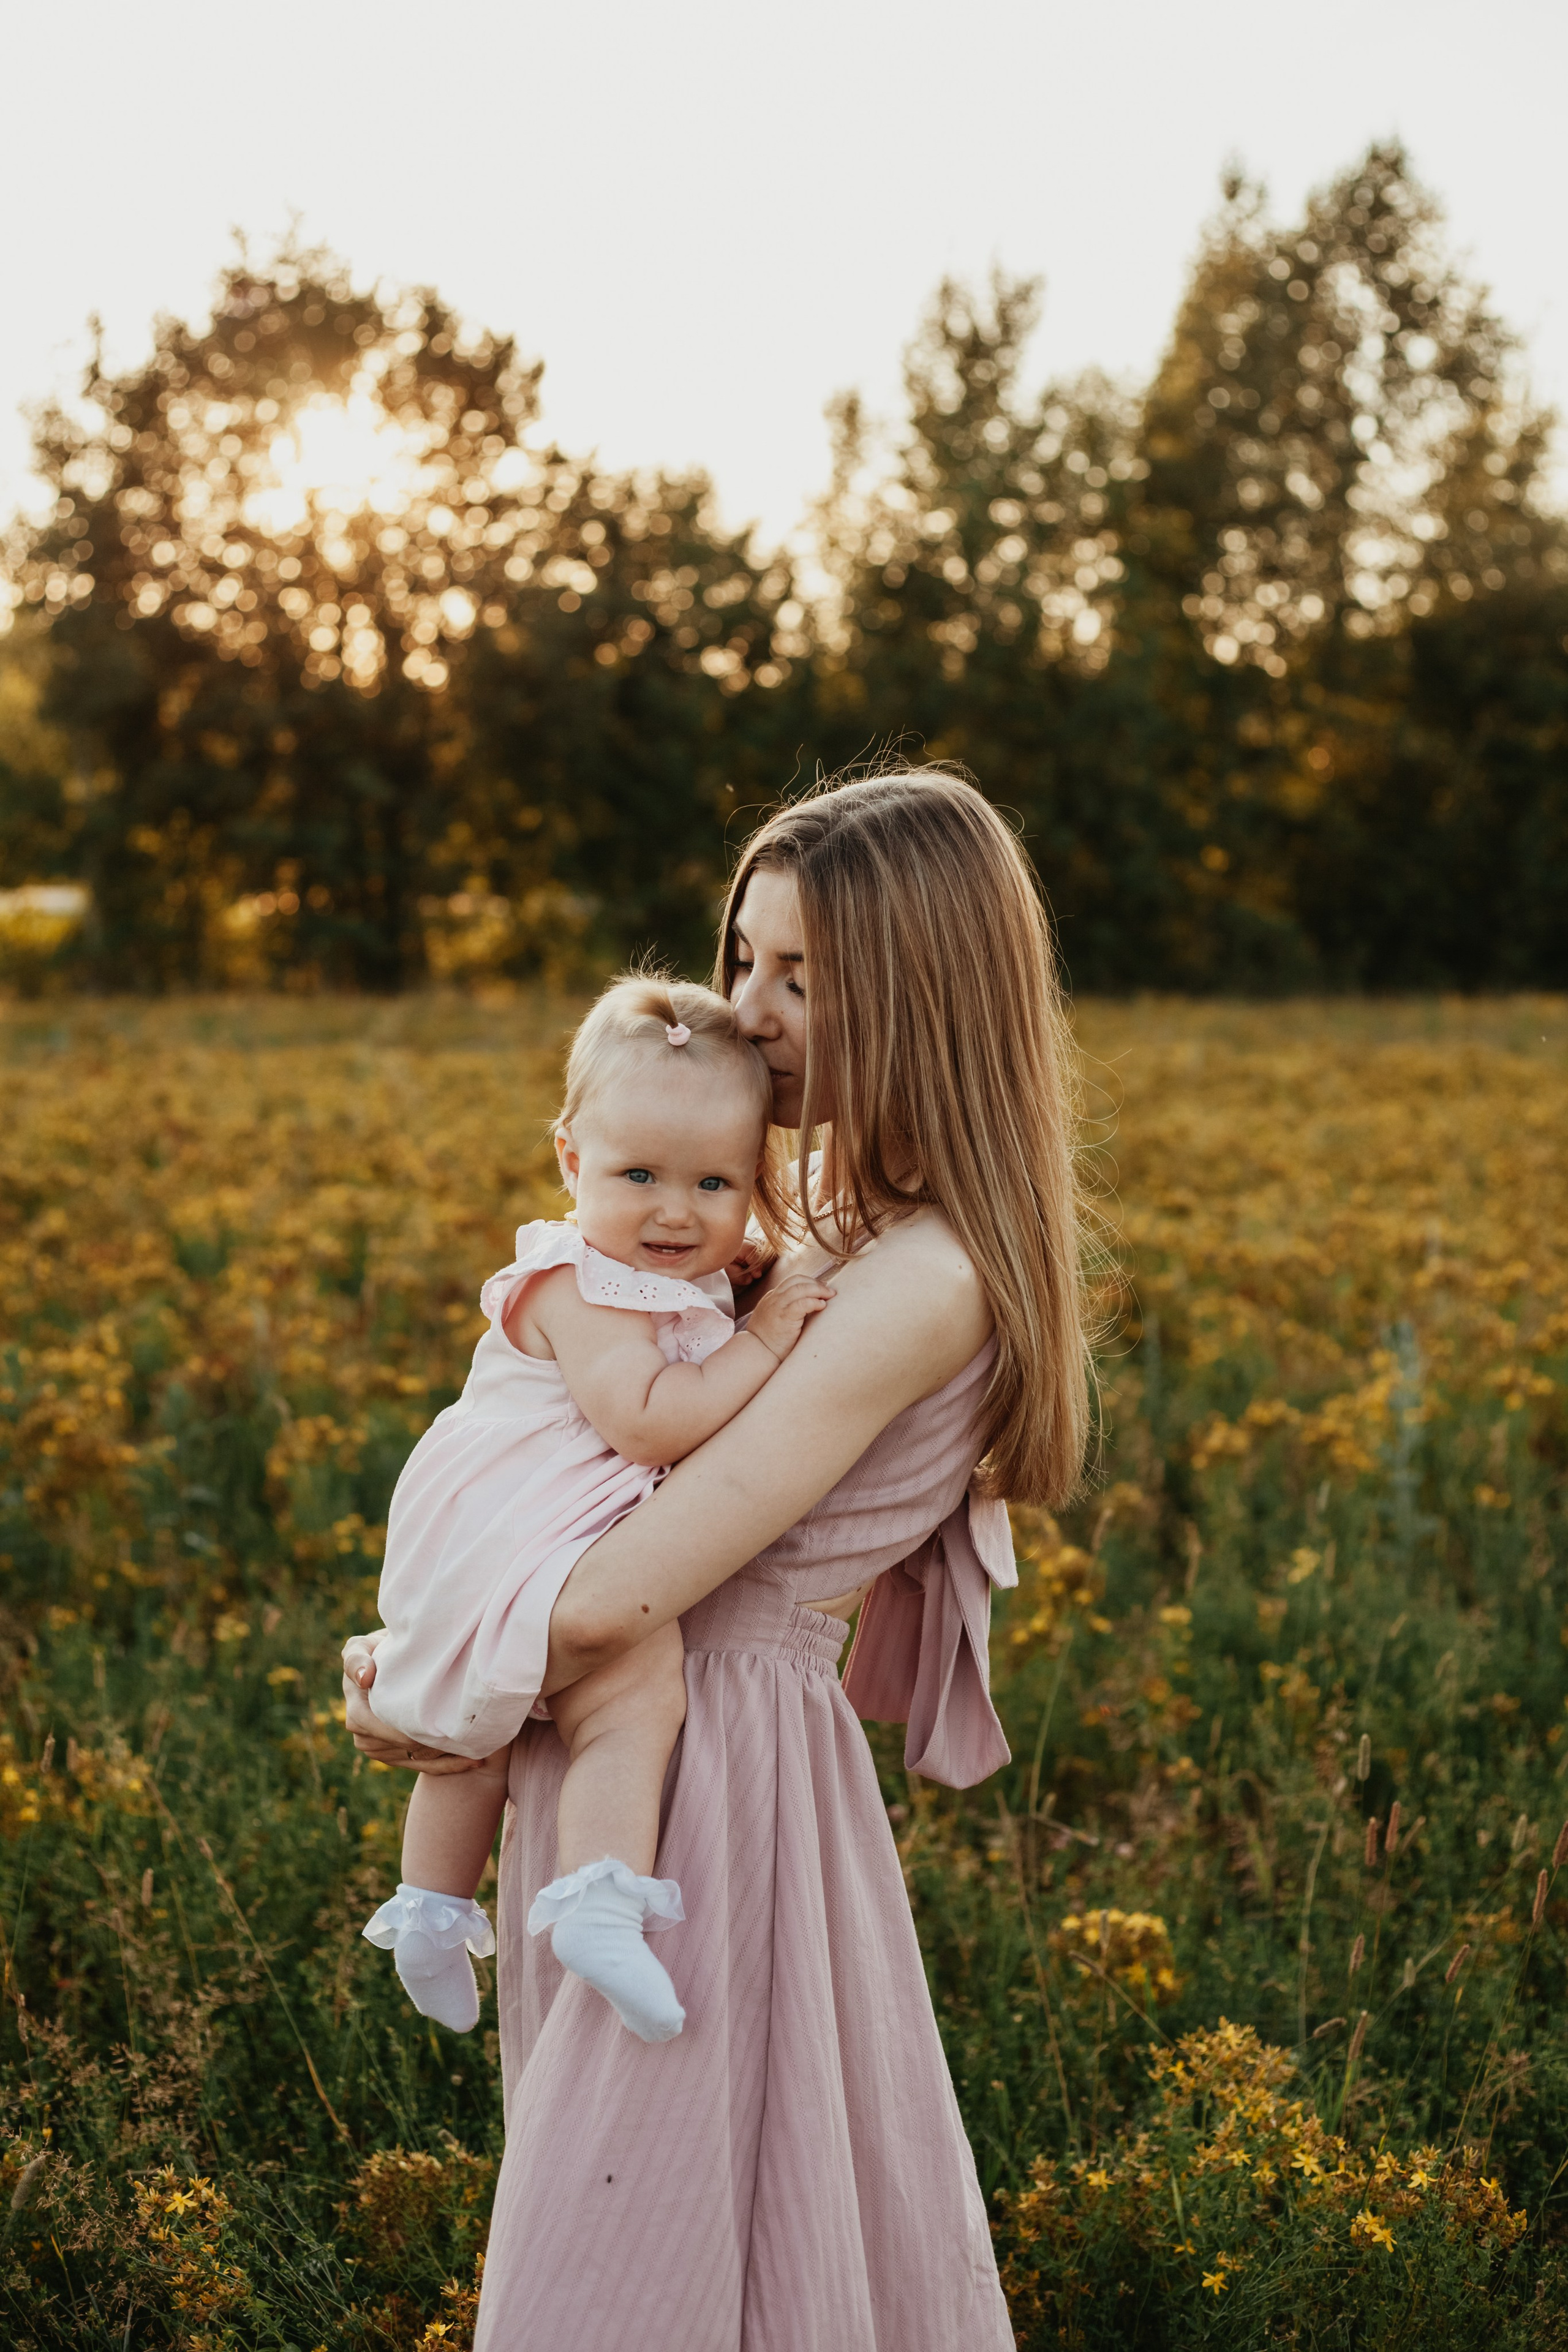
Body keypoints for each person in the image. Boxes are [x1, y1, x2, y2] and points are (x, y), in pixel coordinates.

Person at [344, 767, 1091, 2352]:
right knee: (672, 2209)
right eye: (745, 959)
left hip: (713, 1772)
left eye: (803, 979)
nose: (750, 1014)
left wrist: (441, 1675)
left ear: (925, 994)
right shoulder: (816, 1211)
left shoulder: (922, 1271)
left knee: (651, 2227)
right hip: (631, 1737)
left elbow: (627, 1590)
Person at [360, 974, 833, 2041]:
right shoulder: (578, 1282)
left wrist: (733, 1288)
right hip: (516, 1522)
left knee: (487, 1738)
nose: (676, 1211)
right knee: (624, 1692)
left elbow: (684, 1315)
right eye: (639, 1175)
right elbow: (652, 1422)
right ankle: (592, 1898)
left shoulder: (663, 1268)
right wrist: (764, 1335)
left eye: (715, 1182)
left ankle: (443, 1912)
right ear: (571, 1159)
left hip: (534, 1523)